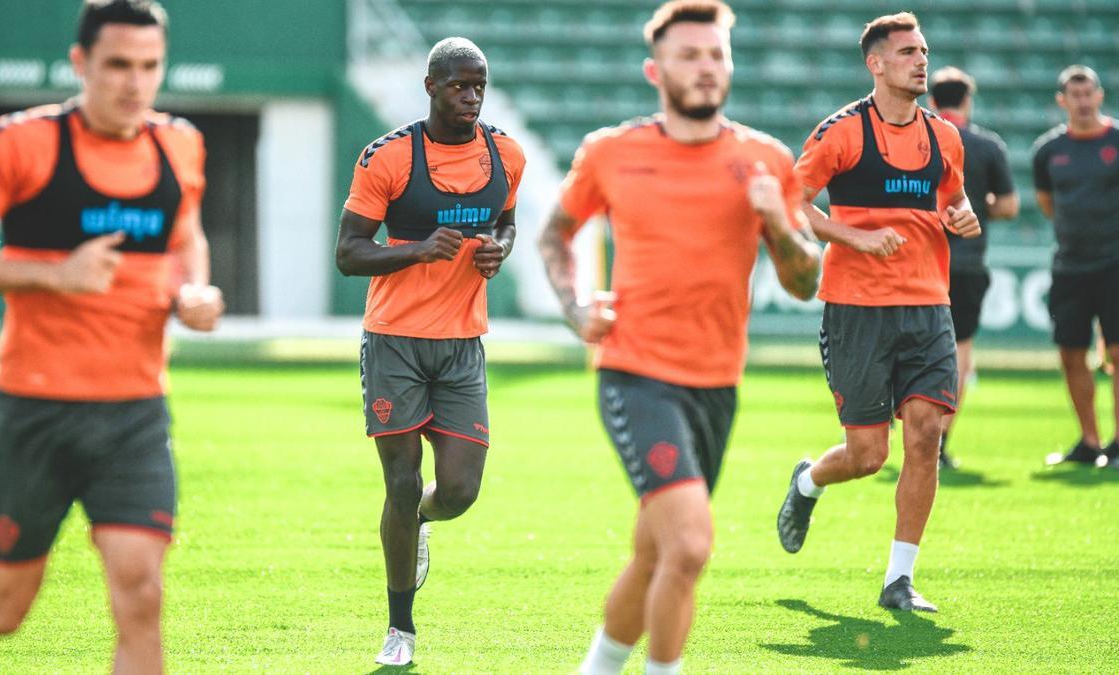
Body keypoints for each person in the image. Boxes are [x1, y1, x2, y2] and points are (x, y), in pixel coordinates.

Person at [0, 2, 224, 673]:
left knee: (142, 592)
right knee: (5, 607)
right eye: (118, 65)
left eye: (149, 66)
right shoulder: (21, 142)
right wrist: (60, 272)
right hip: (35, 409)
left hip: (134, 412)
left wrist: (192, 291)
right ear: (81, 63)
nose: (134, 83)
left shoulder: (180, 144)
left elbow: (185, 239)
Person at [538, 3, 821, 672]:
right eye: (689, 55)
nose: (705, 67)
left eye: (716, 55)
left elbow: (806, 281)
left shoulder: (766, 160)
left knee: (657, 552)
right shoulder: (611, 152)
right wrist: (575, 305)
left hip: (717, 384)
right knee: (690, 544)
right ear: (654, 70)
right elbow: (555, 232)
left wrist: (779, 224)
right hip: (635, 375)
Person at [775, 12, 980, 613]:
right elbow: (791, 203)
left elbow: (955, 197)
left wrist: (964, 216)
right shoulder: (840, 132)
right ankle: (808, 480)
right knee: (868, 455)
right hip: (857, 311)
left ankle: (899, 580)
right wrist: (853, 237)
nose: (922, 60)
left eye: (925, 50)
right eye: (909, 51)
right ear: (877, 63)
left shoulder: (945, 136)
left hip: (928, 307)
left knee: (926, 435)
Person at [334, 37, 525, 666]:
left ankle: (417, 522)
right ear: (430, 87)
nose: (470, 97)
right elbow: (349, 253)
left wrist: (499, 246)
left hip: (462, 344)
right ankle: (400, 629)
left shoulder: (506, 154)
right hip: (394, 342)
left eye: (479, 86)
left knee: (461, 491)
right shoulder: (386, 157)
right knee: (400, 479)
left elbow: (507, 220)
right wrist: (415, 250)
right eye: (458, 86)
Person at [927, 66, 1019, 469]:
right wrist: (976, 208)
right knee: (960, 351)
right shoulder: (986, 146)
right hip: (966, 261)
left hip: (919, 261)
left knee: (908, 343)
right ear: (967, 100)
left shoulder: (919, 139)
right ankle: (940, 442)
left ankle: (902, 420)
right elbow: (1010, 206)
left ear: (932, 101)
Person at [1032, 65, 1119, 469]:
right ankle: (1090, 441)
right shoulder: (1048, 151)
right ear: (1062, 101)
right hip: (1069, 265)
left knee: (1117, 353)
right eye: (1075, 95)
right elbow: (1048, 203)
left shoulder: (1117, 141)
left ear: (1099, 96)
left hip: (1115, 263)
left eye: (1090, 94)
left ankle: (1118, 444)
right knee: (1071, 353)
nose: (1083, 102)